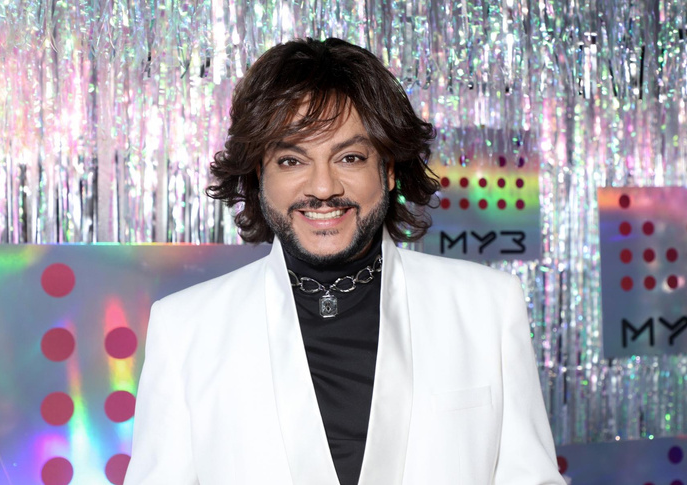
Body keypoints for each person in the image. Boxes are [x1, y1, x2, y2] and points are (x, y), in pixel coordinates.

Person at [124, 37, 565, 485]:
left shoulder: (488, 306)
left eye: (350, 158)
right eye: (291, 160)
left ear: (388, 169)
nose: (322, 188)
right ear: (259, 174)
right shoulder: (184, 328)